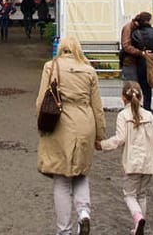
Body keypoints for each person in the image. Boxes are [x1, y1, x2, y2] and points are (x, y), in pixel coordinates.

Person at [37, 34, 105, 235]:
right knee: (81, 173)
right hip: (85, 123)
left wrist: (41, 124)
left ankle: (63, 229)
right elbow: (97, 107)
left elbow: (41, 99)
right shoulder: (89, 71)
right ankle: (84, 212)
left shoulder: (51, 67)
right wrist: (100, 135)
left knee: (61, 178)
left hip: (60, 124)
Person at [98, 80, 153, 235]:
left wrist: (102, 145)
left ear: (123, 98)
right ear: (141, 98)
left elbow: (119, 139)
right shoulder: (149, 115)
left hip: (133, 163)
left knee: (129, 194)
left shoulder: (123, 116)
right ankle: (139, 226)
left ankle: (138, 218)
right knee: (142, 194)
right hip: (149, 163)